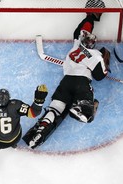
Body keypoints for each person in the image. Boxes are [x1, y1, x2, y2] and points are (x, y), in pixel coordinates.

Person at [23, 18, 110, 149]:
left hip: (65, 81)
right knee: (90, 110)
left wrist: (90, 17)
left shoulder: (76, 46)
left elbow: (78, 31)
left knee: (55, 108)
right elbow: (99, 76)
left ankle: (41, 128)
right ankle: (80, 108)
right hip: (81, 82)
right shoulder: (97, 55)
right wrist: (104, 64)